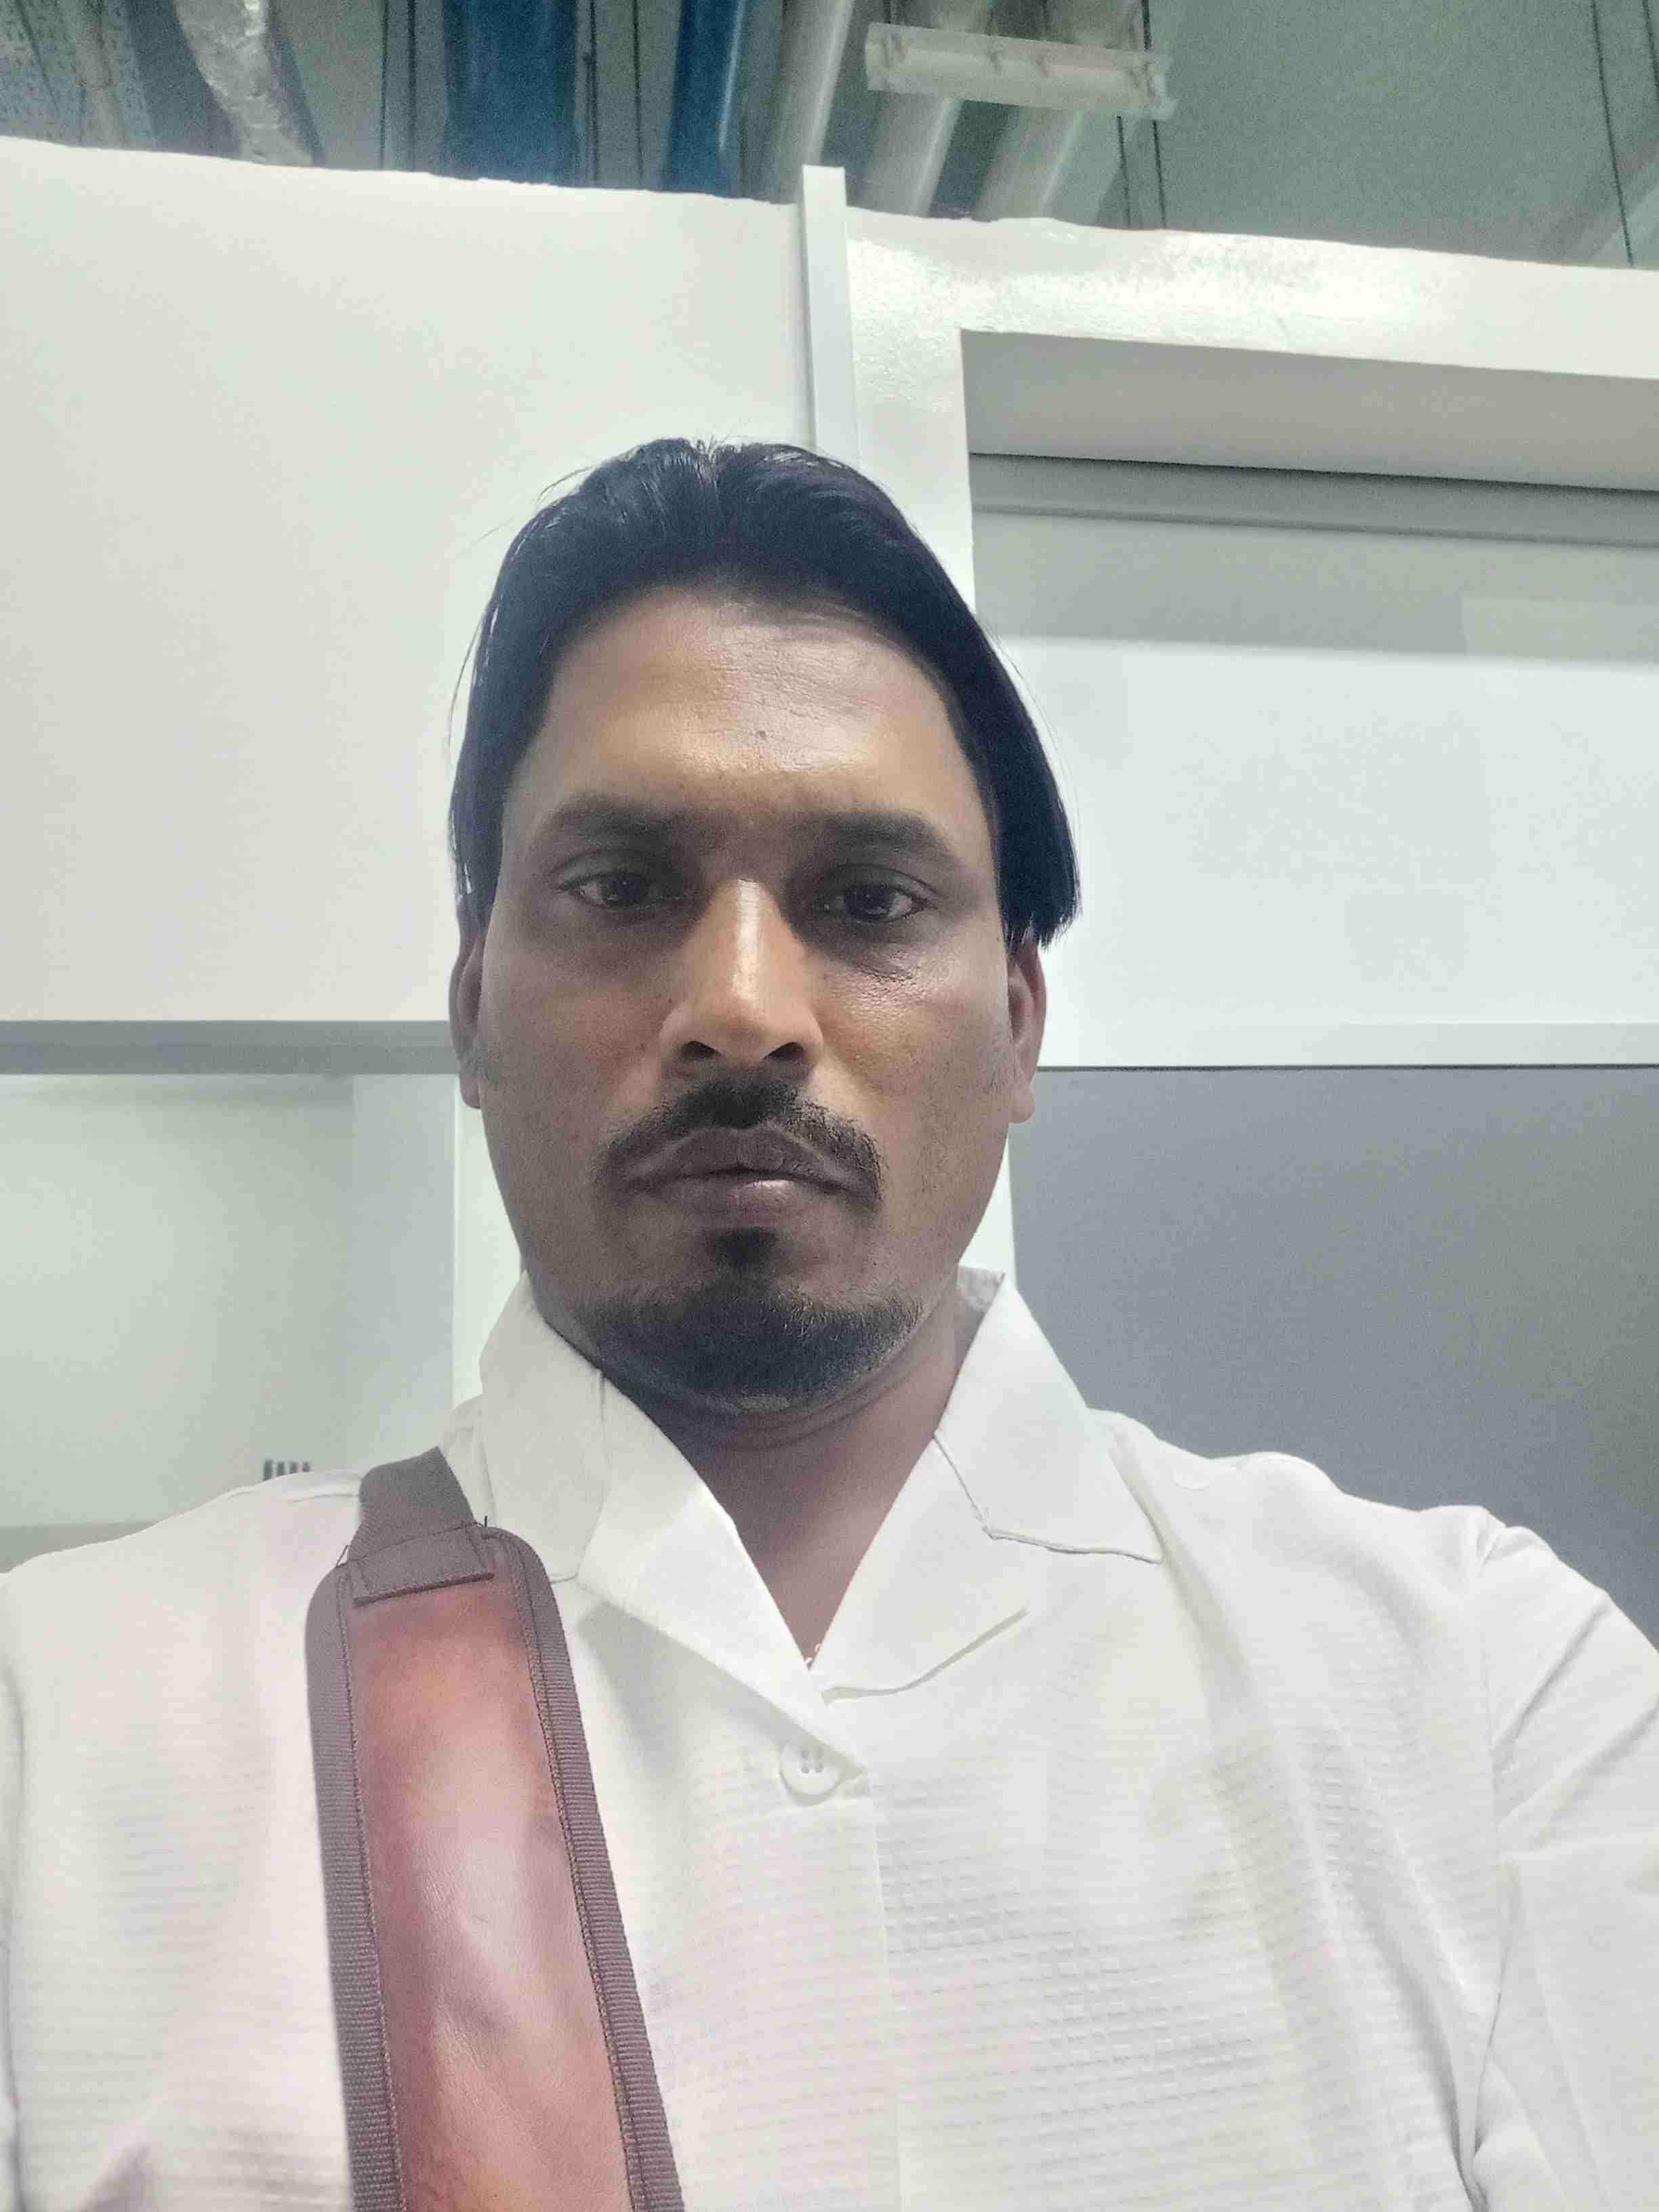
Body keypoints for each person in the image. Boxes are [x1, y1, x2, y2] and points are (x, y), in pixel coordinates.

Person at [1, 438, 1655, 2210]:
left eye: (870, 903)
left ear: (1019, 1024)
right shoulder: (59, 1730)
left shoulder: (1479, 1698)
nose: (740, 1006)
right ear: (473, 1007)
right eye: (620, 887)